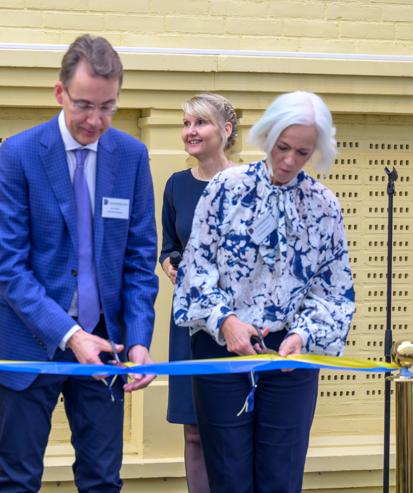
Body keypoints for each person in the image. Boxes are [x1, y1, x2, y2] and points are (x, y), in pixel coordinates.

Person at [0, 35, 159, 492]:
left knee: (103, 480)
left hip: (106, 345)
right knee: (17, 479)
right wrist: (71, 336)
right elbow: (9, 267)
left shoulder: (132, 156)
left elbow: (141, 261)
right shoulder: (19, 154)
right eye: (84, 104)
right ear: (60, 92)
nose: (95, 120)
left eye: (108, 107)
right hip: (29, 342)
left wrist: (139, 340)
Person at [173, 91, 355, 493]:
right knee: (228, 477)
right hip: (221, 349)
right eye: (283, 147)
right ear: (267, 134)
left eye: (303, 152)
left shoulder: (324, 205)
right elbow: (194, 273)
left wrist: (301, 335)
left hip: (291, 357)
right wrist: (227, 322)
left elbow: (334, 292)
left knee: (281, 477)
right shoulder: (224, 188)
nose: (289, 160)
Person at [160, 92, 237, 493]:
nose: (191, 131)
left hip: (237, 321)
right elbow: (169, 243)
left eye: (200, 123)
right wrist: (168, 260)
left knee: (235, 426)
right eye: (186, 123)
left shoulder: (248, 183)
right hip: (189, 320)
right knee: (193, 429)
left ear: (225, 131)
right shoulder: (176, 185)